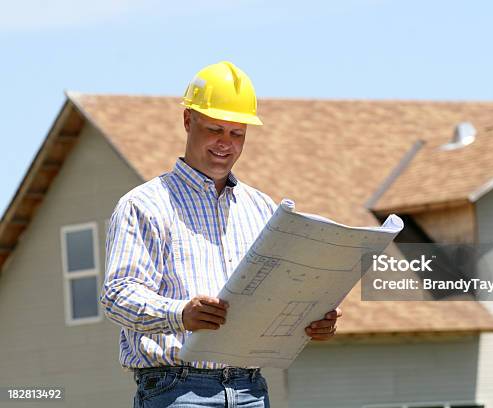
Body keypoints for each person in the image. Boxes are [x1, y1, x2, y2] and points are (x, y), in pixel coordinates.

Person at [100, 61, 341, 408]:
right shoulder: (144, 205)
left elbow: (277, 293)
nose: (225, 144)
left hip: (250, 390)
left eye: (237, 133)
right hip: (176, 390)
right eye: (215, 129)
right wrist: (180, 313)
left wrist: (311, 320)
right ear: (188, 120)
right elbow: (118, 296)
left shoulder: (261, 209)